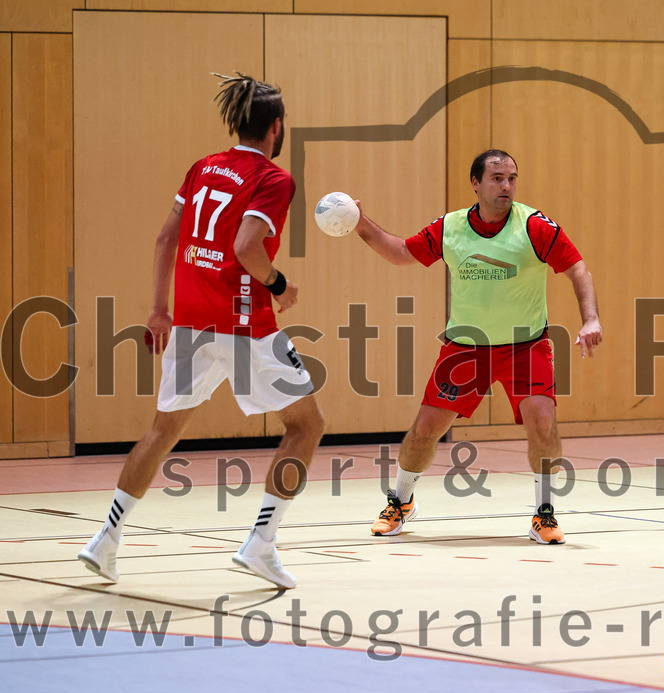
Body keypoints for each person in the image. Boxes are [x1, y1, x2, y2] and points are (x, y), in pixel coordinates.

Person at [77, 72, 325, 590]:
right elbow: (247, 248)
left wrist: (158, 310)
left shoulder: (203, 167)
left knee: (162, 430)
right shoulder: (275, 179)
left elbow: (166, 237)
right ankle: (261, 542)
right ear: (277, 127)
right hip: (243, 322)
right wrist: (279, 285)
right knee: (306, 426)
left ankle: (105, 541)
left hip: (189, 319)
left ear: (238, 122)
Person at [352, 149, 602, 544]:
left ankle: (545, 512)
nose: (507, 186)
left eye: (512, 178)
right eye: (497, 178)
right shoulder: (450, 227)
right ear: (476, 183)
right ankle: (400, 500)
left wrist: (590, 318)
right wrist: (359, 223)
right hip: (466, 348)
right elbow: (401, 253)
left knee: (542, 421)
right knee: (425, 430)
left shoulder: (534, 226)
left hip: (526, 347)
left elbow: (578, 269)